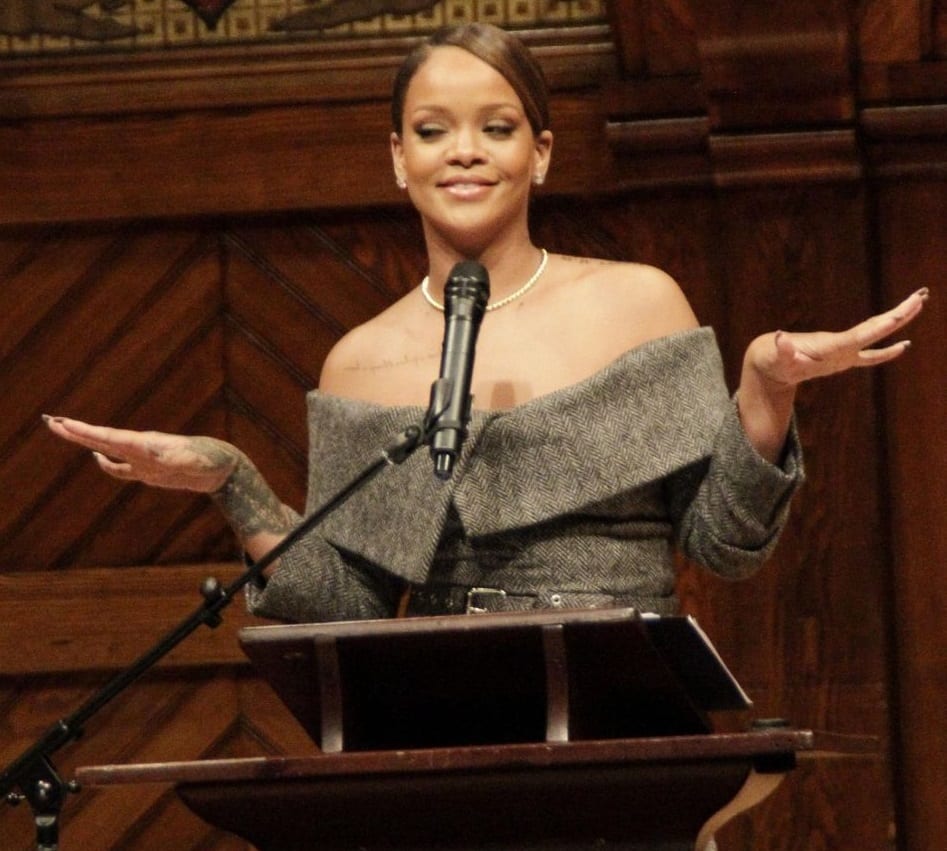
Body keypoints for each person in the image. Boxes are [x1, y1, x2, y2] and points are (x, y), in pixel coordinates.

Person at [44, 23, 927, 623]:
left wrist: (763, 390)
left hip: (625, 704)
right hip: (442, 715)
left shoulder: (639, 302)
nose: (463, 150)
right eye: (432, 131)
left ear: (539, 153)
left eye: (496, 128)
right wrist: (230, 479)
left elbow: (721, 548)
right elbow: (345, 607)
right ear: (399, 158)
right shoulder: (357, 360)